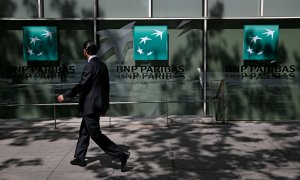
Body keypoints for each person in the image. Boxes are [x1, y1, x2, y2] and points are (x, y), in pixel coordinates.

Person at [57, 40, 130, 172]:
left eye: (83, 50)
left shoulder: (90, 66)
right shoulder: (102, 65)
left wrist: (65, 96)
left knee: (96, 135)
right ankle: (79, 157)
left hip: (90, 106)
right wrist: (105, 106)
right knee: (84, 131)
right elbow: (106, 88)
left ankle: (121, 155)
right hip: (96, 106)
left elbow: (81, 85)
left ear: (85, 51)